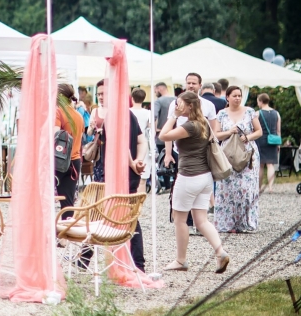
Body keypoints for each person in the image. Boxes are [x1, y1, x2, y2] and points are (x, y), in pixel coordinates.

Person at [159, 91, 230, 273]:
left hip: (189, 176)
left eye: (180, 103)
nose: (176, 106)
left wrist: (173, 116)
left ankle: (181, 260)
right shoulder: (204, 122)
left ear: (190, 106)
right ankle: (220, 252)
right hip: (205, 177)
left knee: (179, 219)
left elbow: (163, 136)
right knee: (202, 220)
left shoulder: (190, 126)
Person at [89, 81, 148, 269]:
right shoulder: (127, 114)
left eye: (104, 93)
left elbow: (125, 144)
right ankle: (137, 263)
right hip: (121, 172)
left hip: (117, 173)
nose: (100, 96)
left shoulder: (119, 116)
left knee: (107, 214)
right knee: (123, 217)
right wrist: (138, 160)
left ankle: (85, 257)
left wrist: (134, 161)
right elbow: (140, 141)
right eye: (98, 93)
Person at [213, 85, 262, 233]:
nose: (238, 98)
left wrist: (247, 137)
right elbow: (216, 134)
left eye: (239, 95)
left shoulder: (250, 112)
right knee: (227, 188)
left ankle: (246, 222)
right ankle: (228, 223)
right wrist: (229, 131)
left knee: (246, 188)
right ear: (227, 97)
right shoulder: (221, 114)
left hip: (247, 154)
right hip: (228, 154)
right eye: (234, 95)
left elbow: (259, 131)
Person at [54, 84, 84, 209]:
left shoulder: (58, 112)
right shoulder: (79, 116)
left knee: (47, 199)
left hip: (59, 161)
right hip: (75, 162)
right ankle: (67, 227)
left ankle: (50, 228)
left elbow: (55, 134)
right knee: (68, 203)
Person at [255, 93, 281, 193]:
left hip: (261, 140)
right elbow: (278, 130)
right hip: (273, 141)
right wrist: (279, 143)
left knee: (261, 165)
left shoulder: (258, 113)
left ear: (261, 101)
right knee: (270, 165)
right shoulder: (276, 113)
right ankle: (270, 187)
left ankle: (259, 187)